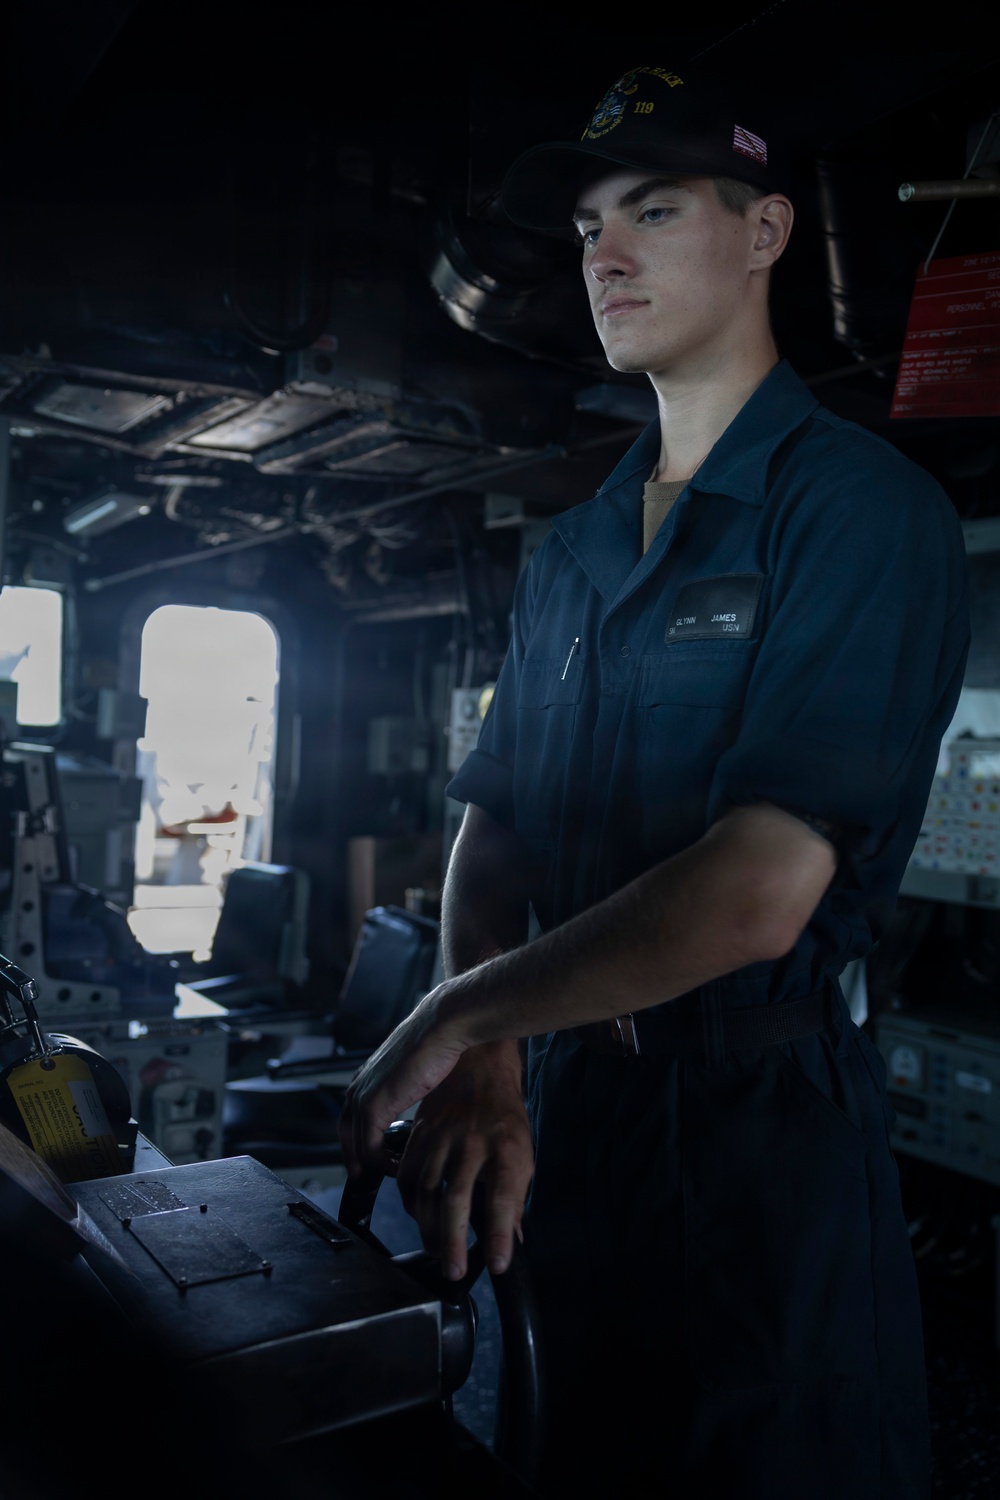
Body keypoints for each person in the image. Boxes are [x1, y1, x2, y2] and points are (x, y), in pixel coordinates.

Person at [339, 65, 971, 1499]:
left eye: (656, 209)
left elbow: (756, 892)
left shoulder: (860, 513)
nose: (604, 255)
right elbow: (498, 829)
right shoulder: (569, 555)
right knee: (568, 1446)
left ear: (764, 236)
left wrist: (456, 1011)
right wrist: (493, 1058)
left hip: (760, 1130)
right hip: (568, 1126)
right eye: (586, 228)